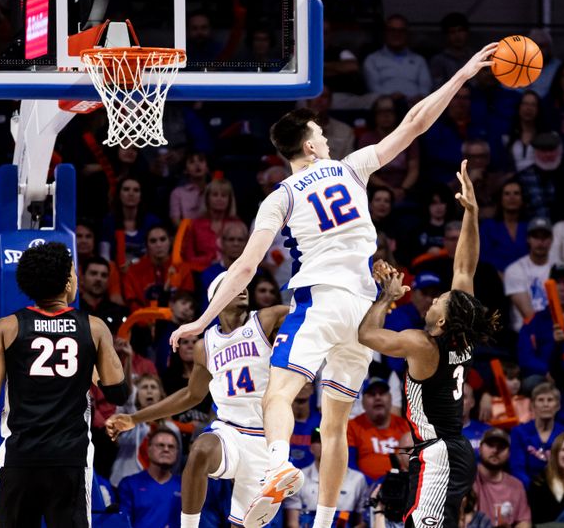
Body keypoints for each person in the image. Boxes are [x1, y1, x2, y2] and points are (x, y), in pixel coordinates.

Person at [169, 43, 500, 528]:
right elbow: (414, 124)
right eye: (321, 134)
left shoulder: (278, 197)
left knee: (278, 395)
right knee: (337, 422)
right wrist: (462, 74)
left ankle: (279, 462)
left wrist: (199, 321)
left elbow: (242, 268)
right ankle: (324, 521)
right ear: (309, 146)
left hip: (320, 302)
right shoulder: (352, 167)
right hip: (365, 310)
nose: (326, 138)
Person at [358, 160, 500, 527]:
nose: (434, 298)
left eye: (438, 300)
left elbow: (367, 336)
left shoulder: (424, 344)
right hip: (452, 451)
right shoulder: (461, 333)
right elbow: (465, 268)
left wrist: (386, 298)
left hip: (439, 453)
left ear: (441, 320)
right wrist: (472, 214)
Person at [0, 241, 129, 528]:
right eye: (73, 273)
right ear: (66, 282)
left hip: (21, 457)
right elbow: (118, 392)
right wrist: (92, 368)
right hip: (69, 458)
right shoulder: (94, 327)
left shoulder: (7, 326)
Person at [107, 272, 288, 528]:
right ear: (216, 298)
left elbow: (311, 311)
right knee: (200, 450)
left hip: (266, 436)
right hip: (229, 432)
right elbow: (192, 395)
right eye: (233, 284)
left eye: (244, 283)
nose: (243, 287)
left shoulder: (265, 320)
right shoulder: (205, 345)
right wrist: (134, 418)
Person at [283, 428, 368, 528]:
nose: (325, 445)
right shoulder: (298, 477)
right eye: (319, 441)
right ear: (311, 448)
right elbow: (292, 523)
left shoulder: (357, 479)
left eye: (330, 441)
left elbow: (362, 522)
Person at [346, 377, 410, 483]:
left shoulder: (405, 426)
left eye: (382, 393)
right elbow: (350, 464)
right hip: (365, 488)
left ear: (390, 398)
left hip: (401, 484)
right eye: (372, 394)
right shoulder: (352, 427)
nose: (378, 398)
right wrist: (373, 485)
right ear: (363, 402)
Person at [508, 382, 564, 489]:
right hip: (528, 489)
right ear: (532, 406)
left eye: (550, 400)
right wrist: (534, 489)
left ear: (558, 406)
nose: (545, 404)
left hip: (560, 488)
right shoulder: (519, 432)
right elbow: (517, 468)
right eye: (541, 400)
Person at [118, 427, 183, 528]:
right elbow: (123, 523)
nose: (166, 449)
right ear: (148, 449)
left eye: (171, 447)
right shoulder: (130, 484)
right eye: (160, 445)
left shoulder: (185, 486)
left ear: (177, 453)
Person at [472, 428, 532, 528]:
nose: (495, 450)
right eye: (490, 445)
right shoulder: (468, 479)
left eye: (501, 447)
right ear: (480, 448)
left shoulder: (516, 485)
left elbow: (524, 521)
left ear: (509, 453)